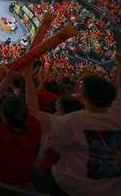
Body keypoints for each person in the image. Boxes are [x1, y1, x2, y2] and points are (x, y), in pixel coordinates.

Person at [49, 56, 120, 196]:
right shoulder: (118, 115)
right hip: (114, 190)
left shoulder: (68, 122)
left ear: (82, 96)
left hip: (75, 189)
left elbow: (54, 151)